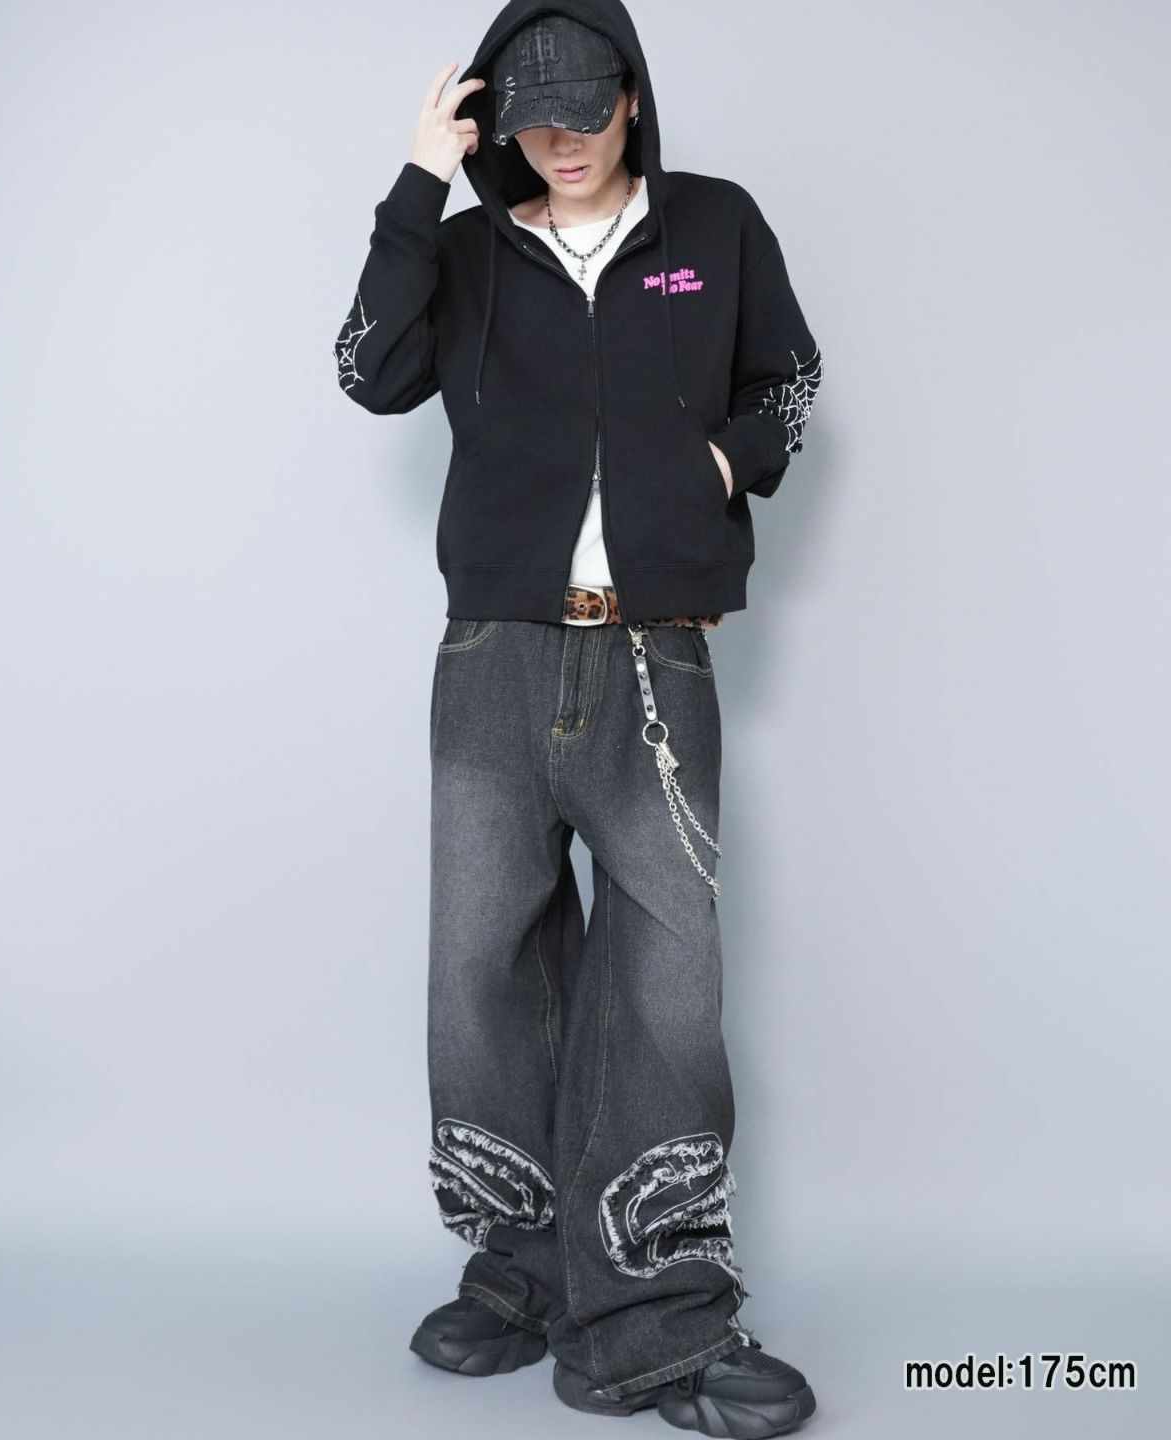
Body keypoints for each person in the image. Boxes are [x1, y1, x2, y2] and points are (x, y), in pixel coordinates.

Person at [333, 2, 824, 1434]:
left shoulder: (714, 224)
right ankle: (523, 1271)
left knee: (663, 979)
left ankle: (658, 1319)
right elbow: (367, 370)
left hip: (654, 655)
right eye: (534, 118)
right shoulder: (466, 248)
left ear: (633, 98)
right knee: (482, 966)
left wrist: (716, 471)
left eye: (586, 112)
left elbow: (790, 378)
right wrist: (419, 181)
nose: (562, 141)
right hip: (495, 651)